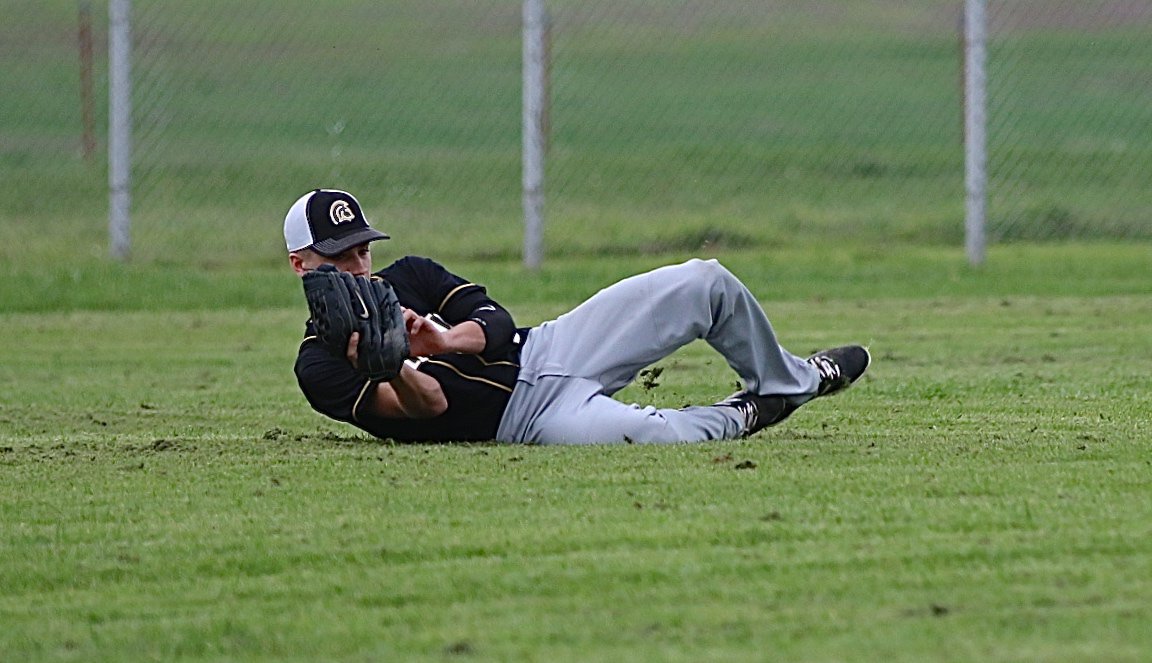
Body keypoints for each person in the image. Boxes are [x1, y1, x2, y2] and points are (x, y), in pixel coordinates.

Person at [285, 188, 870, 445]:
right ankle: (746, 412)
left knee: (704, 280)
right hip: (527, 421)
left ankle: (794, 381)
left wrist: (443, 339)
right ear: (300, 265)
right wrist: (393, 370)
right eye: (340, 254)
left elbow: (492, 318)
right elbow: (426, 411)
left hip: (550, 347)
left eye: (362, 247)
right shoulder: (320, 367)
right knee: (648, 433)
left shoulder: (406, 276)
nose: (360, 263)